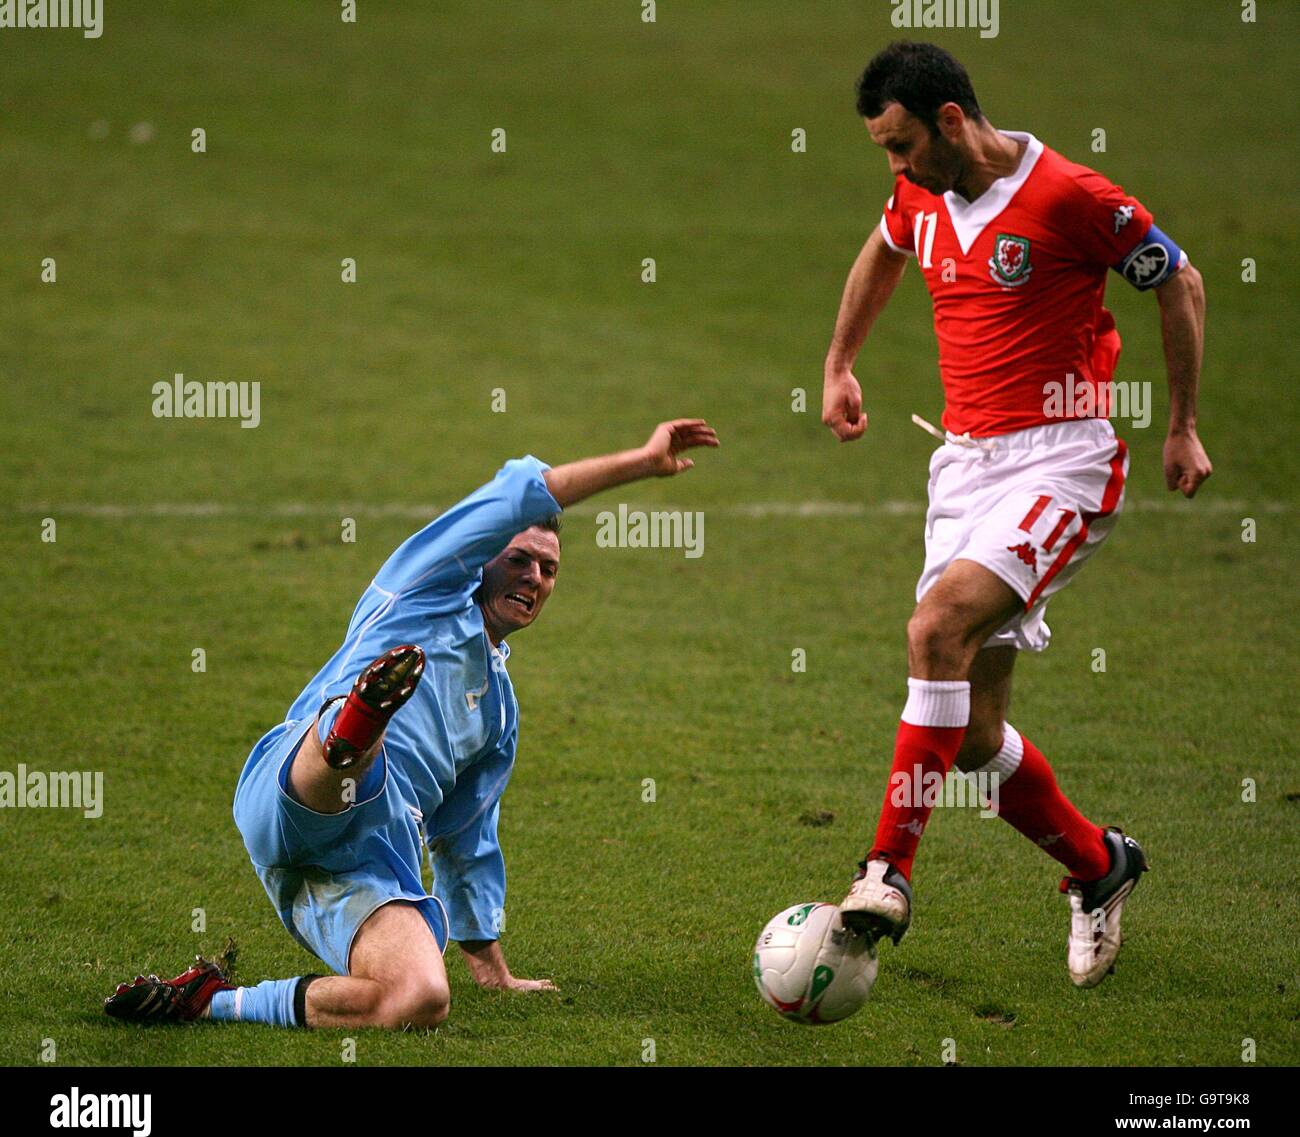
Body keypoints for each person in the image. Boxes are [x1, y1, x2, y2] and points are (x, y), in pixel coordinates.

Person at [104, 419, 718, 1027]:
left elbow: (467, 837)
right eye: (520, 559)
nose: (534, 577)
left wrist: (489, 964)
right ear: (482, 560)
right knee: (351, 762)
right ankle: (356, 725)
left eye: (549, 571)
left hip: (358, 872)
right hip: (296, 791)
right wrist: (641, 462)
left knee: (420, 999)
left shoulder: (499, 715)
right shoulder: (423, 591)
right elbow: (516, 493)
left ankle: (210, 1001)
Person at [822, 42, 1210, 986]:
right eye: (885, 149)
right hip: (964, 466)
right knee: (973, 737)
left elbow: (1180, 281)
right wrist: (839, 361)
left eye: (905, 143)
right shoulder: (921, 194)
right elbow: (885, 245)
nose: (898, 167)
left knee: (936, 627)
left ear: (952, 121)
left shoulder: (1071, 196)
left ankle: (886, 871)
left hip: (1062, 459)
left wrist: (1182, 426)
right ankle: (1100, 865)